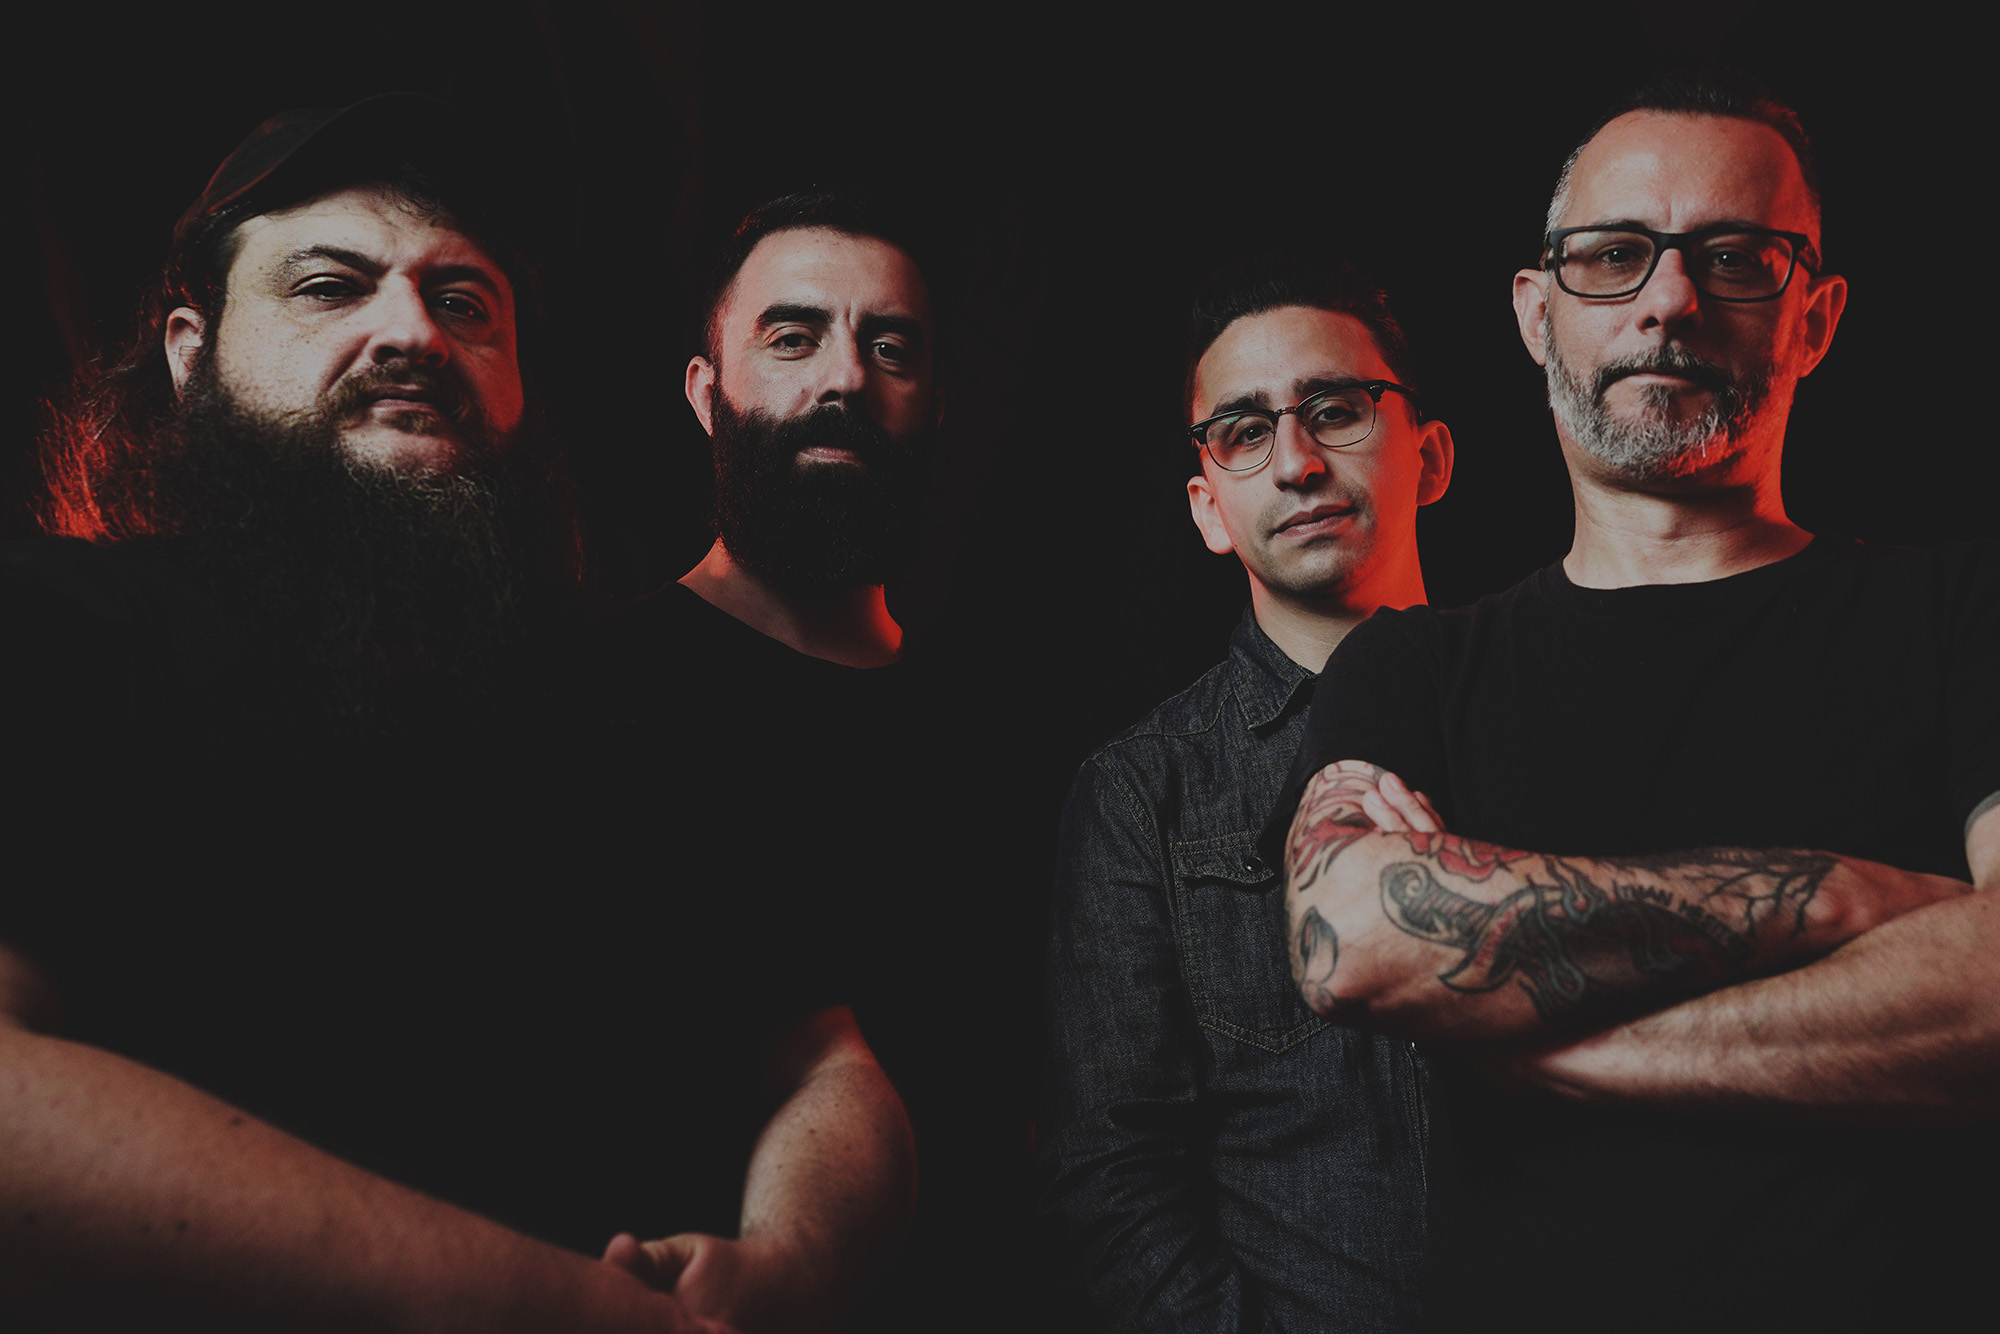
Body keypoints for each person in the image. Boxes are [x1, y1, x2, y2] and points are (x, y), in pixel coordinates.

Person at [0, 97, 825, 1333]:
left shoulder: (629, 708)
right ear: (190, 348)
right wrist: (583, 1312)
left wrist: (794, 1260)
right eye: (330, 286)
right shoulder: (53, 624)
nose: (412, 331)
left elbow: (820, 1056)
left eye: (464, 303)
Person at [1275, 73, 1998, 1330]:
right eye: (1612, 256)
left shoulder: (1962, 607)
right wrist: (1845, 898)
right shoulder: (1411, 666)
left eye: (1735, 258)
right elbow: (1356, 936)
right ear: (1534, 311)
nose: (1668, 299)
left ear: (1815, 317)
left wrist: (1545, 1042)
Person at [559, 193, 948, 1330]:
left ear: (933, 406)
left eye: (890, 347)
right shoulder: (583, 694)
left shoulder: (1008, 726)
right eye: (792, 336)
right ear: (704, 391)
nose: (845, 378)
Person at [1042, 256, 1453, 1330]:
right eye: (1242, 431)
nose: (1297, 462)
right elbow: (1115, 1178)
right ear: (1208, 508)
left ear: (1430, 454)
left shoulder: (1545, 710)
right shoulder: (1141, 794)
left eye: (1336, 410)